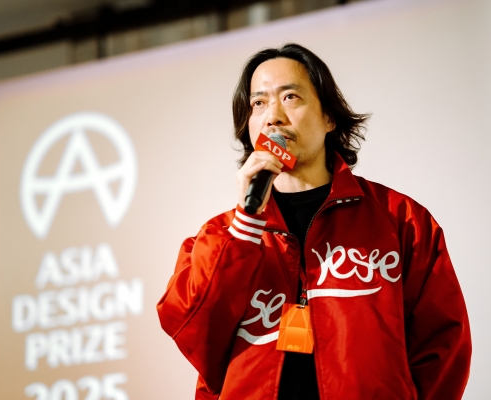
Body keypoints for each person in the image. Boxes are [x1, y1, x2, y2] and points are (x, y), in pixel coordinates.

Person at [157, 43, 471, 400]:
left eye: (290, 97)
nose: (273, 116)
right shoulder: (219, 235)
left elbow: (442, 346)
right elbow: (193, 329)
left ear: (329, 117)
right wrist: (246, 226)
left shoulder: (401, 220)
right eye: (258, 103)